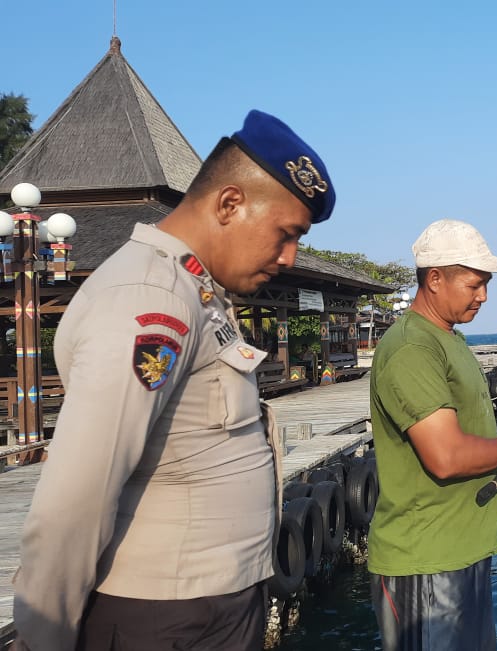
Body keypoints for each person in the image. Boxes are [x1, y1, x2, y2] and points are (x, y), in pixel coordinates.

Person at [13, 109, 336, 651]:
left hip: (209, 604)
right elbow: (79, 488)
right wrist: (44, 636)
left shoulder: (195, 291)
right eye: (286, 234)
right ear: (229, 203)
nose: (289, 256)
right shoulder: (150, 300)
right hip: (165, 616)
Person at [367, 219, 497, 651]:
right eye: (475, 284)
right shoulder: (412, 348)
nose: (484, 296)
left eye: (487, 284)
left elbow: (468, 441)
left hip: (463, 552)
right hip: (425, 562)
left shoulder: (449, 340)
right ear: (434, 279)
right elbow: (446, 457)